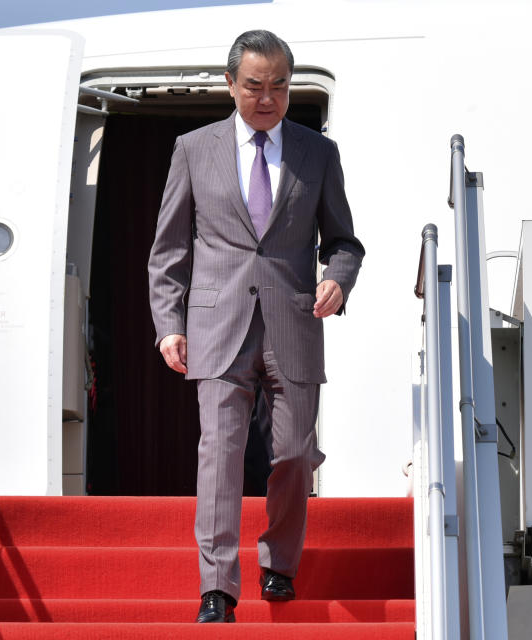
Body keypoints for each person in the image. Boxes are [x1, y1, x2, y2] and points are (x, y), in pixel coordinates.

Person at [147, 29, 364, 624]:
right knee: (219, 454)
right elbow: (167, 250)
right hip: (218, 325)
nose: (267, 98)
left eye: (279, 86)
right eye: (254, 86)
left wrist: (338, 278)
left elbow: (344, 242)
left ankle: (280, 565)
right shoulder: (194, 148)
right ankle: (216, 587)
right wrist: (169, 322)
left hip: (293, 323)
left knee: (294, 453)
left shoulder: (317, 152)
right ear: (229, 84)